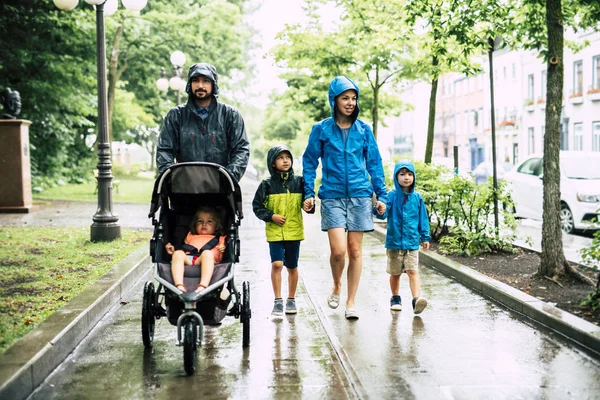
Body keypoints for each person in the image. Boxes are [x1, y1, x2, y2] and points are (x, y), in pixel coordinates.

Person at [302, 76, 387, 320]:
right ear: (334, 100)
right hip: (332, 196)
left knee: (355, 251)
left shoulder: (363, 130)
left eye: (353, 98)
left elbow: (374, 163)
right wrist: (309, 192)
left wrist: (381, 194)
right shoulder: (321, 129)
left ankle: (350, 301)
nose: (350, 103)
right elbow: (309, 161)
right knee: (339, 251)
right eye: (345, 98)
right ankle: (337, 284)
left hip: (360, 195)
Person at [156, 62, 250, 181]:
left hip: (220, 191)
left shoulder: (230, 115)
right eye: (195, 80)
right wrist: (174, 179)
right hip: (184, 190)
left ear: (213, 84)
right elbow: (164, 150)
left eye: (205, 80)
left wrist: (228, 178)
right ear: (190, 84)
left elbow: (241, 150)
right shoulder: (176, 116)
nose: (200, 85)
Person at [252, 144, 311, 316]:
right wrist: (271, 216)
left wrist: (308, 205)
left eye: (287, 157)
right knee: (277, 264)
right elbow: (257, 207)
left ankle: (291, 300)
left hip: (294, 231)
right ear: (272, 163)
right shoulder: (266, 184)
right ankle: (278, 300)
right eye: (280, 158)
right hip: (275, 232)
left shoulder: (299, 182)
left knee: (292, 266)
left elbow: (306, 203)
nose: (285, 161)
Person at [374, 160, 430, 314]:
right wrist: (378, 207)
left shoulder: (417, 198)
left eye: (410, 174)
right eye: (402, 174)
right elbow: (383, 213)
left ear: (414, 177)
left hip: (412, 242)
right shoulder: (391, 196)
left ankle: (416, 300)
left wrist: (425, 237)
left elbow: (422, 219)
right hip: (394, 242)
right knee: (395, 273)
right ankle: (395, 297)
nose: (406, 177)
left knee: (413, 271)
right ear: (396, 176)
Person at [165, 206, 226, 293]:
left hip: (207, 261)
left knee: (207, 254)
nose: (204, 224)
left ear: (216, 226)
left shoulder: (220, 239)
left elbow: (222, 256)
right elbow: (184, 250)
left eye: (209, 221)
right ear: (195, 224)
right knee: (178, 253)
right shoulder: (190, 236)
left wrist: (222, 250)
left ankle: (203, 286)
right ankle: (179, 285)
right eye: (200, 221)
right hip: (189, 259)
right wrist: (173, 252)